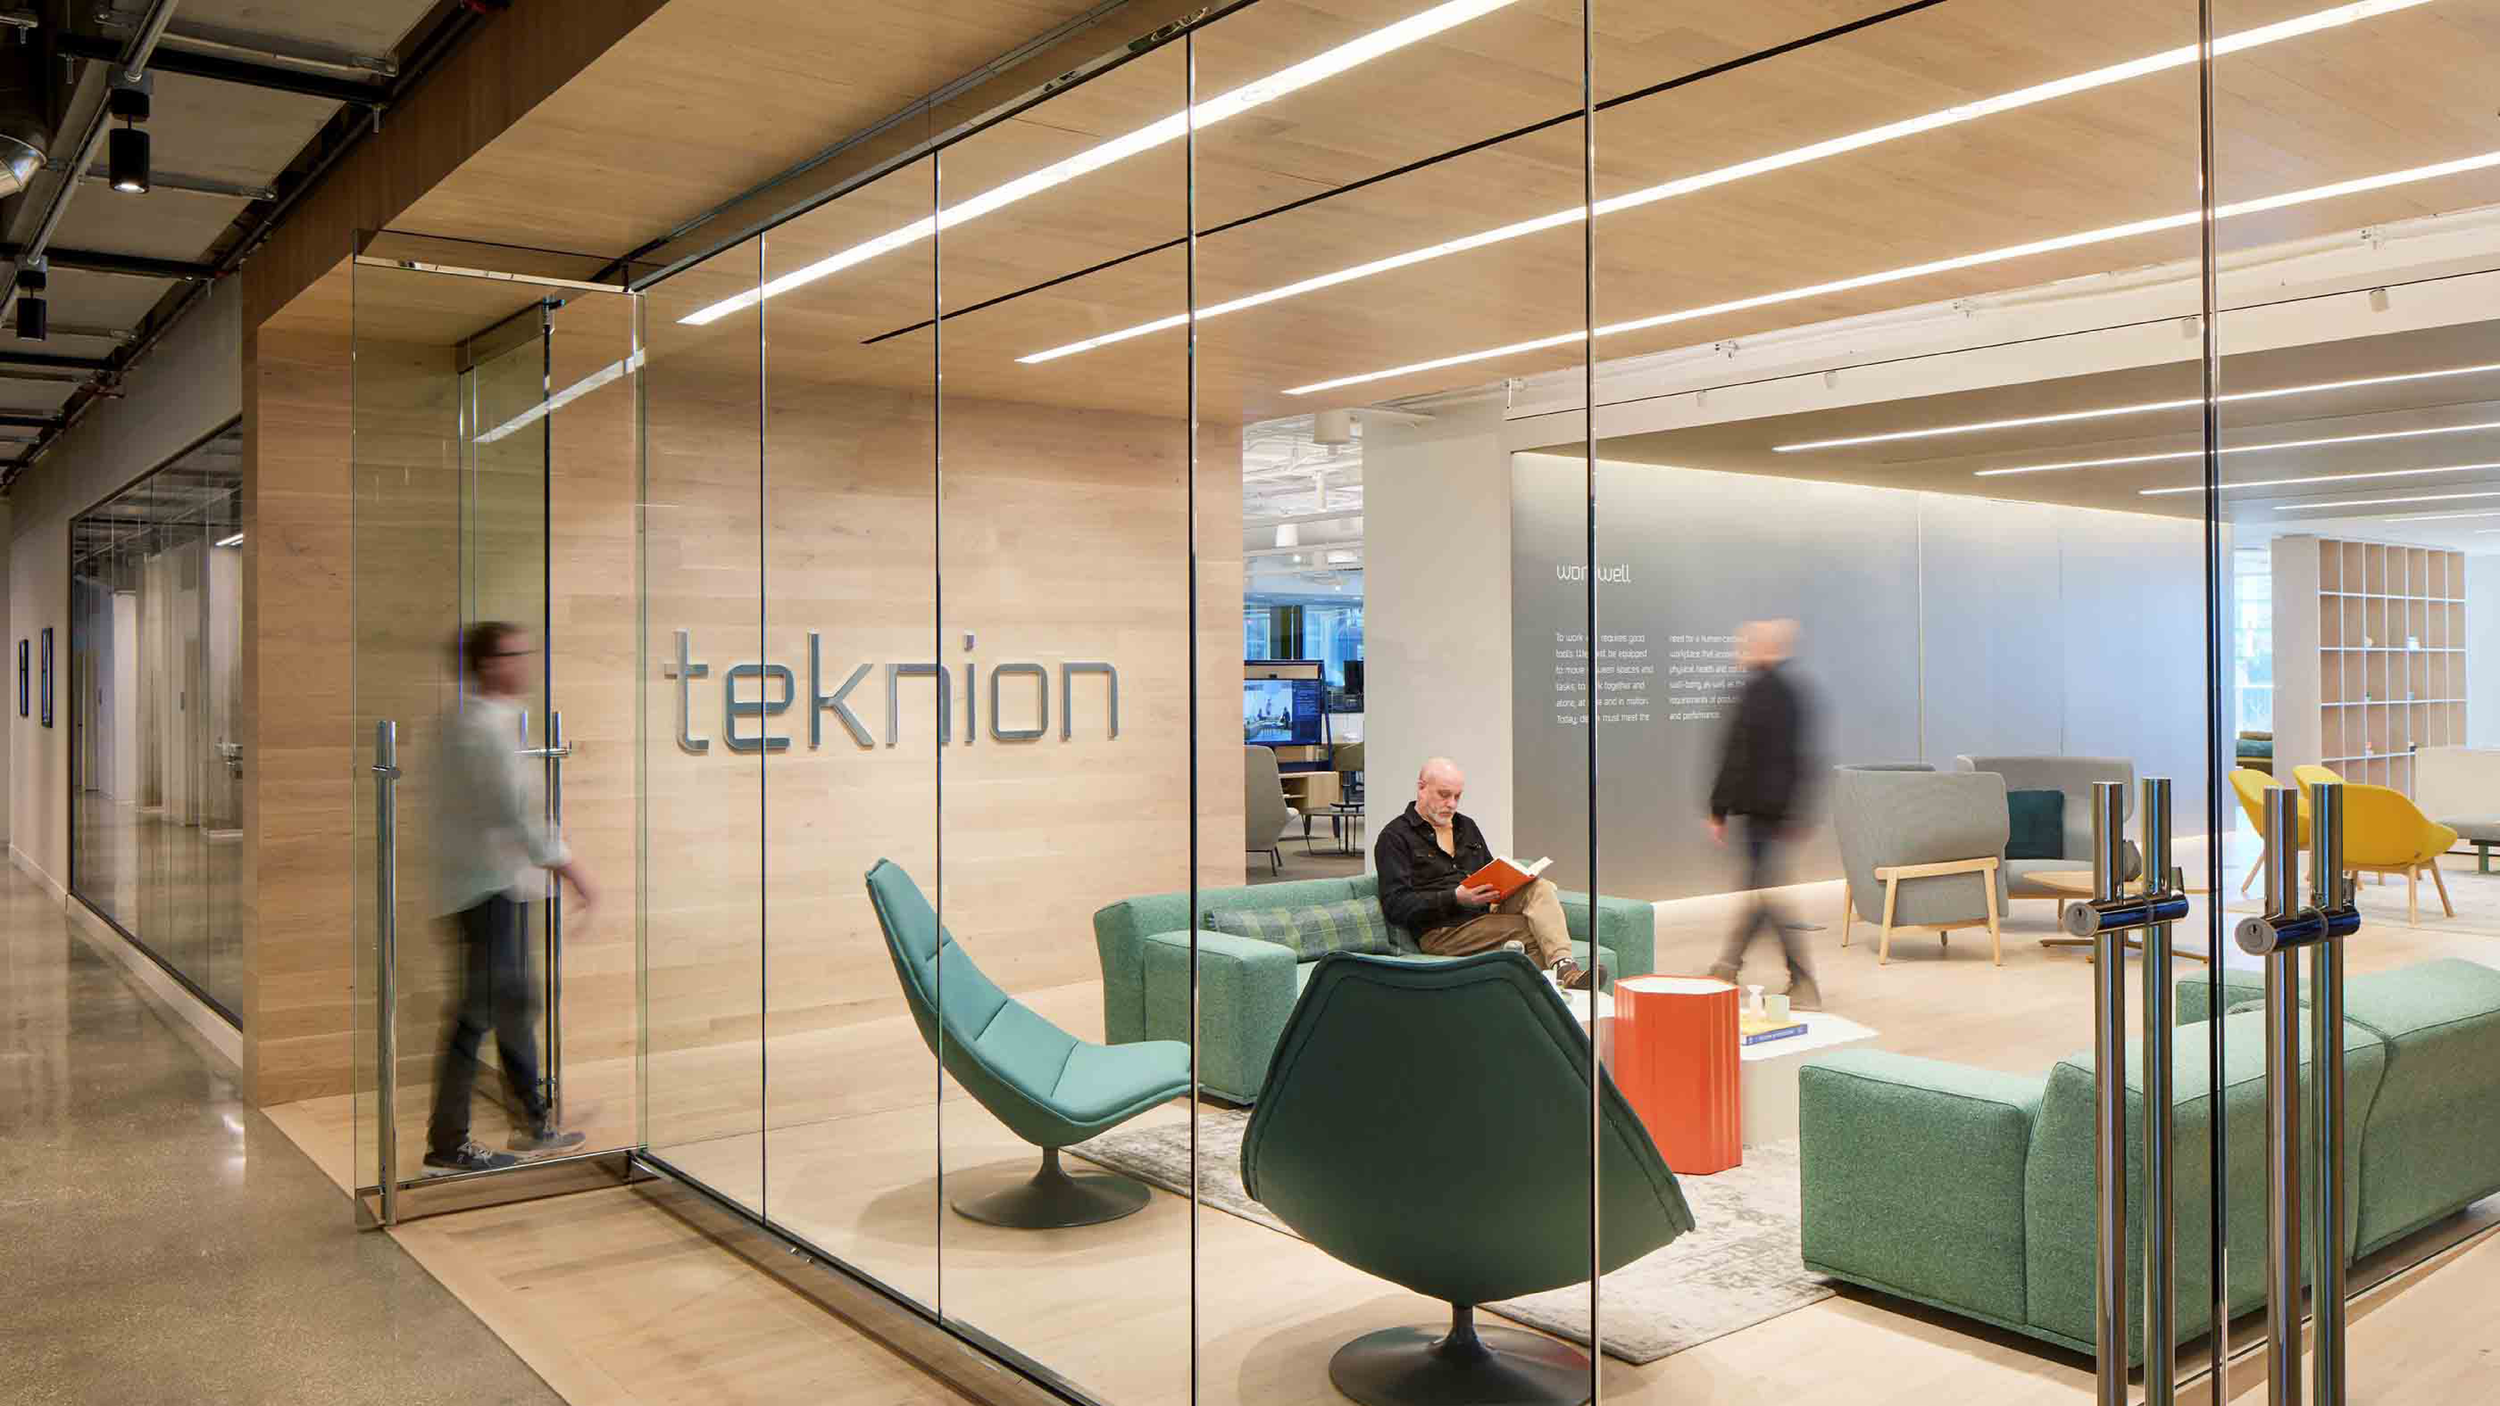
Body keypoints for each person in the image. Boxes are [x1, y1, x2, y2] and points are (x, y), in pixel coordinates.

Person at [424, 621, 600, 1175]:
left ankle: (533, 1122)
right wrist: (573, 870)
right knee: (477, 1015)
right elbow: (517, 811)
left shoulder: (473, 723)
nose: (524, 661)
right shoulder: (483, 729)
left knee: (514, 1005)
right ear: (488, 663)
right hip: (486, 890)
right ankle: (448, 1143)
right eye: (515, 653)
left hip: (487, 887)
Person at [1375, 757, 1603, 990]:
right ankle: (1554, 989)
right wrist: (1455, 897)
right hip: (1443, 930)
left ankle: (1564, 968)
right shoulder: (1394, 837)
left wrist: (1515, 880)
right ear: (1421, 788)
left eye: (1457, 796)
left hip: (1484, 913)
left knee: (1539, 887)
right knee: (1534, 931)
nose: (1451, 804)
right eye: (1444, 795)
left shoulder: (1466, 826)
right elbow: (1395, 905)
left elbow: (1489, 871)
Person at [1707, 619, 1822, 1010]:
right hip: (1779, 811)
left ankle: (1799, 979)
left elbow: (1735, 756)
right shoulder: (1792, 694)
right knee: (1762, 890)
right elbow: (1803, 759)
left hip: (1758, 810)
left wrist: (1718, 809)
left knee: (1766, 895)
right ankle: (1729, 966)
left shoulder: (1752, 693)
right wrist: (1799, 813)